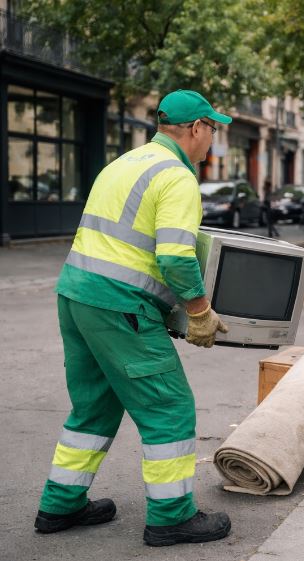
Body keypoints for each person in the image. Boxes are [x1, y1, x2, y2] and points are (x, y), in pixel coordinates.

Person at [34, 90, 233, 546]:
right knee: (169, 407)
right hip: (120, 304)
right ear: (196, 128)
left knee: (94, 405)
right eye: (212, 130)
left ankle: (60, 504)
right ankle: (171, 517)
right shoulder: (177, 177)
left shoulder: (123, 163)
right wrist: (199, 311)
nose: (213, 140)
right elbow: (176, 256)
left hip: (76, 294)